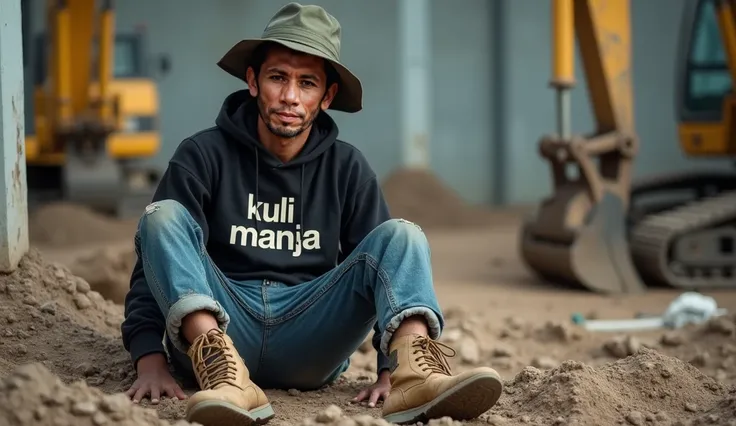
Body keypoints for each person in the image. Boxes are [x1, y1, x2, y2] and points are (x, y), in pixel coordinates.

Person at [120, 3, 503, 425]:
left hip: (311, 335)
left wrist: (387, 369)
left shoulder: (347, 168)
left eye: (307, 83)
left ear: (326, 96)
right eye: (277, 77)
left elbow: (385, 276)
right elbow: (153, 268)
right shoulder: (202, 155)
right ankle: (226, 377)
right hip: (218, 330)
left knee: (403, 235)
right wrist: (149, 358)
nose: (290, 97)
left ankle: (414, 380)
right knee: (162, 217)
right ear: (253, 80)